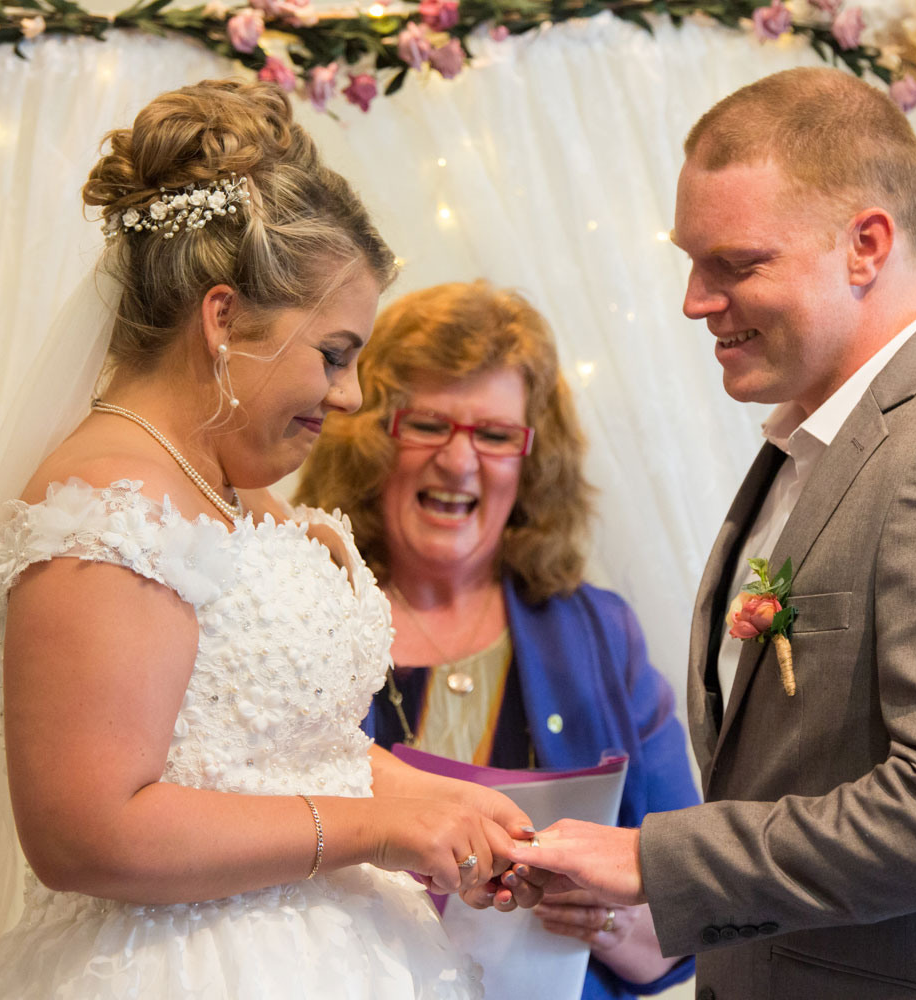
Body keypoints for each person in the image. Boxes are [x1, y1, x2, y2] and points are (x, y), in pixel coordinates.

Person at [508, 67, 916, 999]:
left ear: (866, 245)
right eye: (690, 261)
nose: (695, 301)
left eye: (735, 264)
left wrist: (654, 863)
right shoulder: (807, 449)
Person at [0, 80, 539, 998]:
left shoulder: (228, 486)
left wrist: (435, 798)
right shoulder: (112, 507)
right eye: (335, 353)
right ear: (223, 319)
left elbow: (284, 748)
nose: (349, 396)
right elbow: (88, 832)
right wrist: (381, 831)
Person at [294, 280, 699, 999]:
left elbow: (694, 908)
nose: (459, 461)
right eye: (428, 425)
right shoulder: (297, 612)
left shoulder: (602, 635)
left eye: (493, 434)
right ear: (371, 437)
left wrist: (605, 919)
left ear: (531, 462)